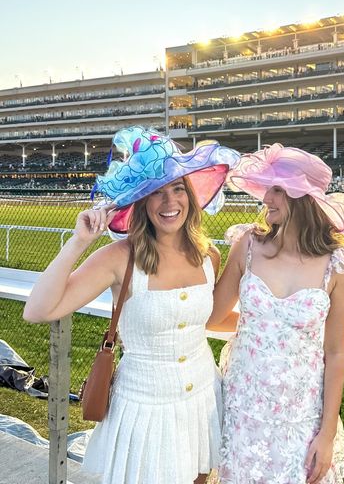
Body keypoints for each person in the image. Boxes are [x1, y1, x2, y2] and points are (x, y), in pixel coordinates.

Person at [23, 126, 240, 484]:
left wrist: (276, 329)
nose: (170, 202)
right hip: (144, 407)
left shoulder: (208, 255)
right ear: (140, 202)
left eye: (176, 189)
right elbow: (39, 310)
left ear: (190, 195)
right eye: (156, 192)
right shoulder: (118, 258)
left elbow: (202, 320)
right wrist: (79, 242)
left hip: (203, 396)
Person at [208, 144, 344, 484]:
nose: (266, 199)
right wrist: (206, 260)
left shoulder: (338, 266)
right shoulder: (248, 246)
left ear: (302, 197)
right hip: (243, 405)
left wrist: (327, 434)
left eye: (276, 190)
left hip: (299, 414)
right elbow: (212, 317)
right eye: (266, 189)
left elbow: (335, 352)